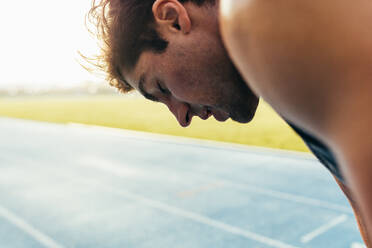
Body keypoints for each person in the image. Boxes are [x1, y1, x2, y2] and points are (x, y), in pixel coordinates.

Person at [87, 0, 372, 246]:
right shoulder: (270, 64)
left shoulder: (264, 16)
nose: (181, 117)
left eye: (161, 88)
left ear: (173, 19)